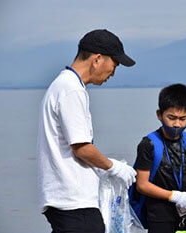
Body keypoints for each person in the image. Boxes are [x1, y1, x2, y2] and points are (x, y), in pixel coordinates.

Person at [37, 29, 137, 233]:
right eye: (114, 65)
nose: (113, 73)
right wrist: (114, 167)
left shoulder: (64, 85)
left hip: (66, 202)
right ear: (98, 59)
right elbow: (81, 148)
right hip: (74, 204)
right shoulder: (71, 89)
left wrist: (99, 168)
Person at [132, 83, 186, 233]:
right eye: (171, 118)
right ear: (159, 115)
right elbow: (142, 184)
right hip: (159, 216)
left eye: (183, 119)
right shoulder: (148, 145)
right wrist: (174, 196)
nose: (176, 124)